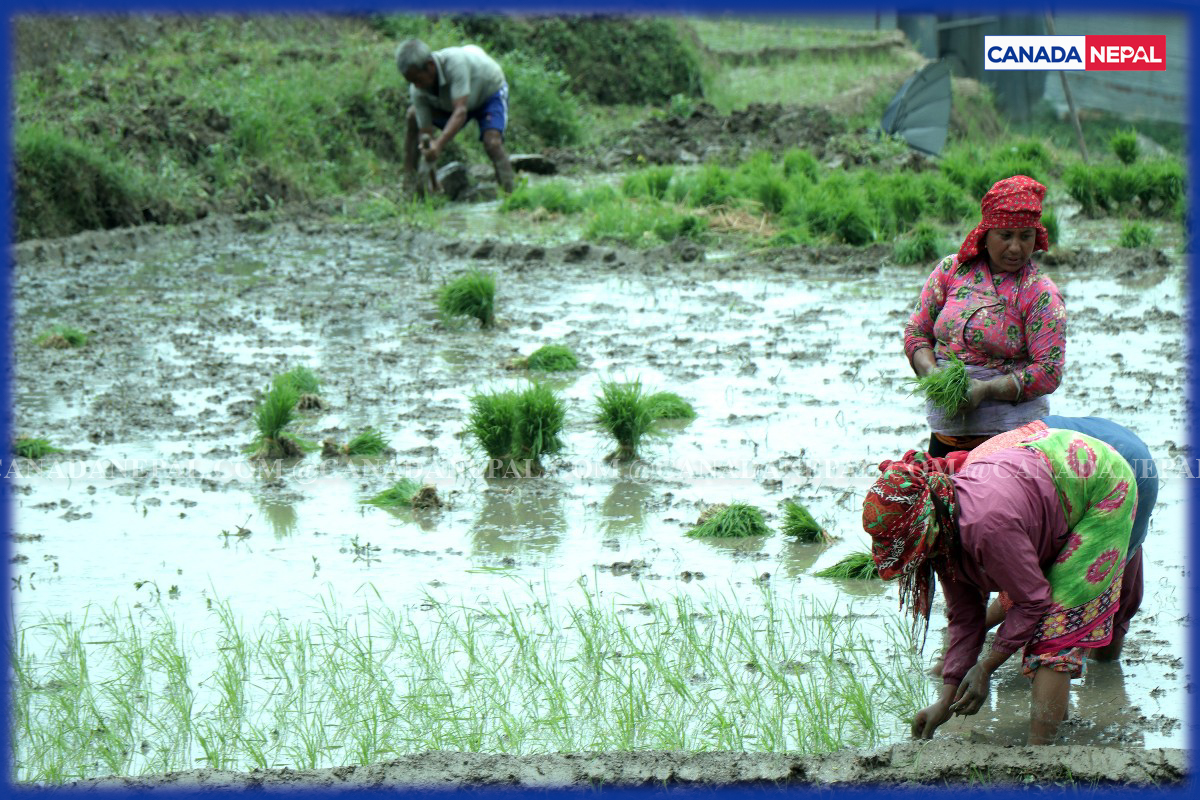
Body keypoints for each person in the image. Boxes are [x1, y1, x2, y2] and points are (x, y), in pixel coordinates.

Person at [863, 427, 1136, 745]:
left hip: (1101, 481)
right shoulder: (942, 533)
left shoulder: (986, 525)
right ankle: (1053, 723)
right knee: (1041, 614)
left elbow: (1032, 600)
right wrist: (945, 701)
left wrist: (987, 665)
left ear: (928, 522)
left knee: (1056, 632)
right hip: (1044, 477)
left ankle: (1040, 757)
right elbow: (966, 616)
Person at [959, 416, 1155, 663]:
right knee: (1116, 569)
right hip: (1107, 444)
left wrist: (975, 636)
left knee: (1083, 591)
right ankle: (1108, 675)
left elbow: (1032, 586)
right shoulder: (972, 477)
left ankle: (1104, 669)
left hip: (1115, 469)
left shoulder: (988, 515)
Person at [903, 175, 1067, 458]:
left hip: (1012, 440)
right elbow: (917, 332)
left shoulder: (1039, 293)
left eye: (1025, 236)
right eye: (1006, 236)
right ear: (985, 233)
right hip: (947, 433)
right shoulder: (951, 271)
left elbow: (1049, 371)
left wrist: (986, 390)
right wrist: (933, 374)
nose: (1016, 247)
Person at [396, 38, 516, 195]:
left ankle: (511, 195)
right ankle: (409, 183)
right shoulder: (417, 90)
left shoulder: (455, 63)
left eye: (418, 79)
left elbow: (460, 112)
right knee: (413, 115)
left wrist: (438, 145)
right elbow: (427, 138)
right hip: (454, 104)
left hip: (488, 92)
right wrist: (433, 181)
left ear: (430, 66)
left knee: (492, 142)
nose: (416, 86)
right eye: (411, 82)